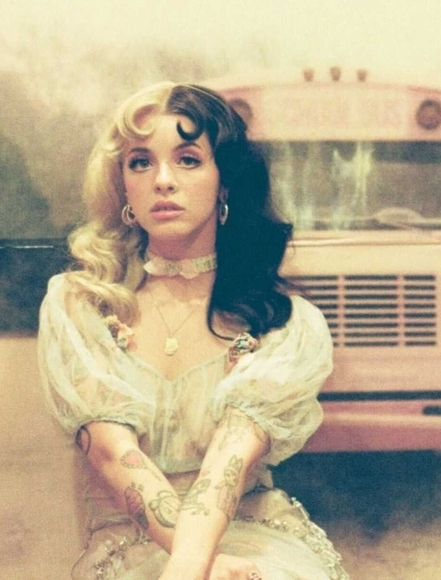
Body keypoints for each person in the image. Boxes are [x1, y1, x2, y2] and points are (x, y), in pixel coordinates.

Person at [37, 81, 350, 580]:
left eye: (187, 160)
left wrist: (191, 564)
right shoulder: (81, 305)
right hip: (129, 542)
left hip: (251, 531)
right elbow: (115, 455)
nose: (163, 180)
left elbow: (229, 464)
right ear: (122, 185)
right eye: (141, 162)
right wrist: (199, 566)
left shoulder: (280, 322)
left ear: (224, 182)